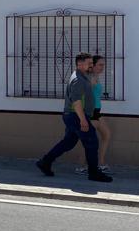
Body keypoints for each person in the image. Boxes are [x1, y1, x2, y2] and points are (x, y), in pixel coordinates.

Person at [35, 52, 113, 182]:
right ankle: (94, 173)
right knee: (92, 142)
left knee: (68, 142)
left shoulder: (81, 77)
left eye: (91, 63)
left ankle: (45, 162)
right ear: (80, 64)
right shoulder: (78, 80)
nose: (91, 65)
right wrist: (83, 120)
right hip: (75, 115)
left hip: (73, 115)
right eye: (89, 63)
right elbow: (76, 102)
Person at [77, 54, 112, 173]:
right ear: (94, 65)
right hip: (90, 113)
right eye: (100, 65)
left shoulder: (96, 77)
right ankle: (82, 166)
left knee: (106, 135)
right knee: (88, 141)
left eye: (104, 65)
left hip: (97, 112)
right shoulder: (90, 78)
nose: (103, 67)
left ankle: (100, 162)